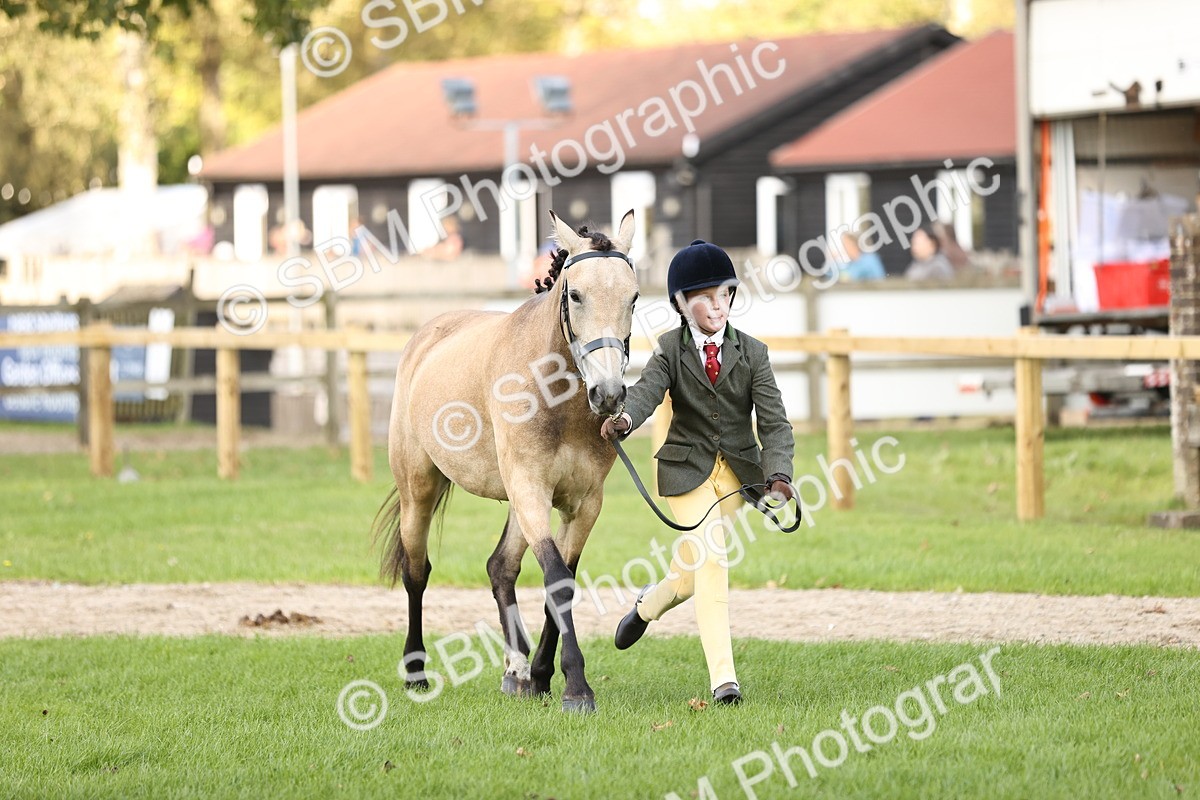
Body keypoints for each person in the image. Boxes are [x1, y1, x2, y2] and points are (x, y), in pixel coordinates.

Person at [600, 239, 796, 706]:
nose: (718, 305)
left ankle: (648, 605)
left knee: (690, 576)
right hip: (685, 471)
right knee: (713, 557)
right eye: (705, 297)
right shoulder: (670, 349)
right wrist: (625, 419)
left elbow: (774, 423)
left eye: (724, 293)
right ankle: (724, 680)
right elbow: (647, 391)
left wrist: (780, 475)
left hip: (737, 477)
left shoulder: (754, 354)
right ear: (681, 304)